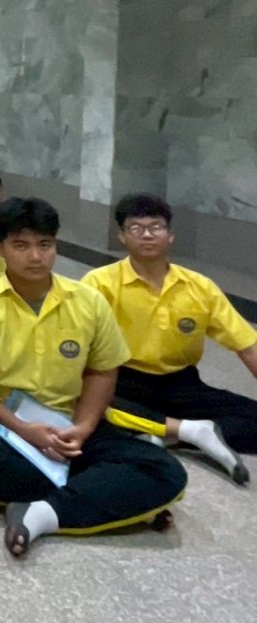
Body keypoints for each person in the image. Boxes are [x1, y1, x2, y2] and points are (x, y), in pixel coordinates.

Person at [0, 197, 188, 557]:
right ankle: (109, 493)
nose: (35, 256)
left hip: (67, 420)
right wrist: (21, 428)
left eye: (45, 244)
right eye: (21, 245)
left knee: (166, 472)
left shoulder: (88, 301)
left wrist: (83, 428)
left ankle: (44, 513)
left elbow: (103, 369)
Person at [83, 193, 257, 482]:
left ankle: (171, 435)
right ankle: (182, 430)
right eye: (136, 228)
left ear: (171, 235)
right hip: (123, 382)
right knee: (88, 404)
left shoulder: (199, 286)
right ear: (122, 236)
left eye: (156, 227)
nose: (147, 235)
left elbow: (247, 346)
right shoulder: (98, 283)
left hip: (180, 383)